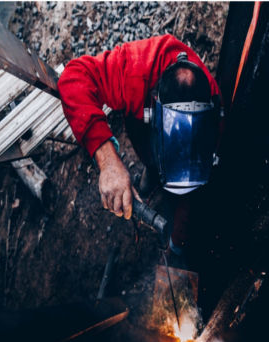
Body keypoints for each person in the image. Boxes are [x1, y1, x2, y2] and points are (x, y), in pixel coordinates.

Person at [58, 34, 222, 262]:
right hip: (143, 127)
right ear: (153, 111)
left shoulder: (213, 106)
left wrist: (178, 245)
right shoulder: (135, 71)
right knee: (148, 155)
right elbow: (73, 76)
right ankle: (152, 170)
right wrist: (108, 161)